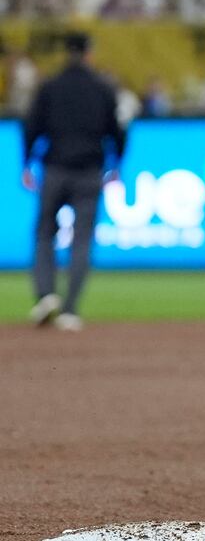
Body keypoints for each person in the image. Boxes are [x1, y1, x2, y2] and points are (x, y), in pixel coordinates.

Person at [22, 33, 126, 331]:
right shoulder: (102, 88)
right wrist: (116, 164)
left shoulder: (50, 86)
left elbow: (31, 127)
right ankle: (69, 309)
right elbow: (117, 131)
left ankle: (45, 296)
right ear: (89, 53)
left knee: (44, 234)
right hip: (89, 171)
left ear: (67, 52)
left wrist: (26, 163)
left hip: (54, 168)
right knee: (81, 239)